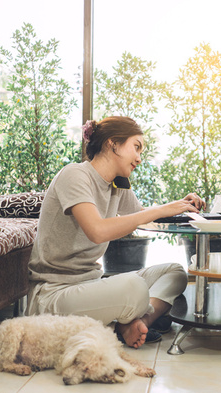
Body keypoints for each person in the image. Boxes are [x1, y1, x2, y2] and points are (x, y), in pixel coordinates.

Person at [26, 116, 205, 349]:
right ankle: (128, 321)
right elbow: (97, 231)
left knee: (176, 272)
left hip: (91, 284)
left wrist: (182, 205)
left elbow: (142, 215)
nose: (139, 158)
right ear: (113, 144)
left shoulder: (117, 184)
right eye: (136, 147)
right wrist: (161, 209)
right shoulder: (74, 175)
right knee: (134, 287)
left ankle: (136, 323)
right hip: (54, 294)